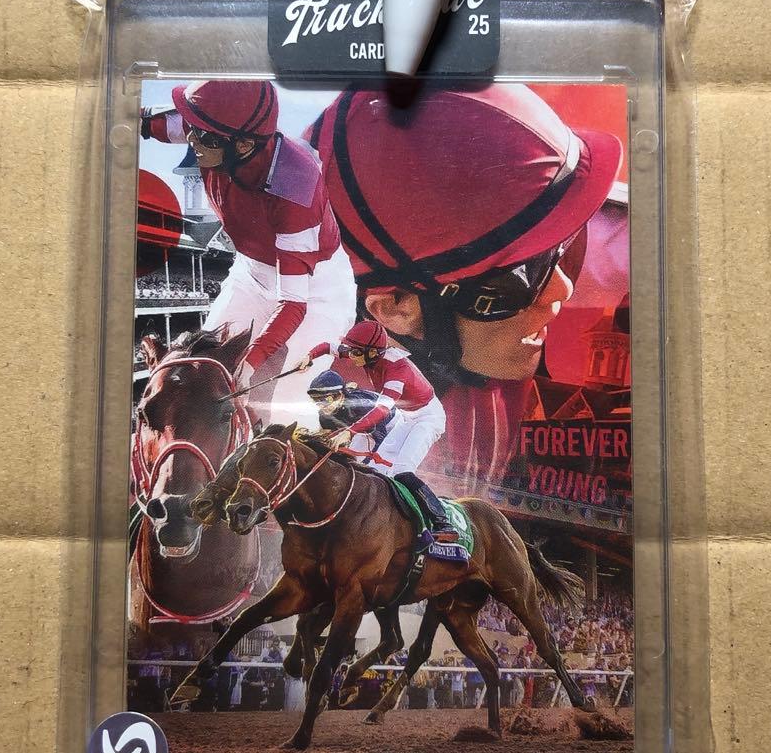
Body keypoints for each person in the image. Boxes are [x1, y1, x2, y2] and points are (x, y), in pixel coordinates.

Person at [307, 84, 621, 489]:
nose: (562, 290)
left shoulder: (484, 340)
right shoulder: (348, 438)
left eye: (564, 245)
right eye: (523, 274)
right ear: (396, 308)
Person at [142, 80, 355, 424]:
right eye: (192, 128)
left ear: (242, 145)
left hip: (316, 289)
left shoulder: (295, 187)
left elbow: (293, 304)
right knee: (202, 371)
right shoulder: (218, 133)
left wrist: (251, 362)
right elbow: (156, 123)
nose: (191, 139)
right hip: (251, 273)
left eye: (202, 135)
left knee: (284, 405)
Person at [299, 321, 464, 557]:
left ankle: (440, 523)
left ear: (373, 352)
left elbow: (381, 410)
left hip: (428, 418)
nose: (351, 356)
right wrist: (308, 357)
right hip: (407, 417)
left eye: (355, 352)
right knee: (376, 471)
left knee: (402, 471)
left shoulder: (397, 371)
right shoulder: (366, 353)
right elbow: (328, 346)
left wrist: (350, 431)